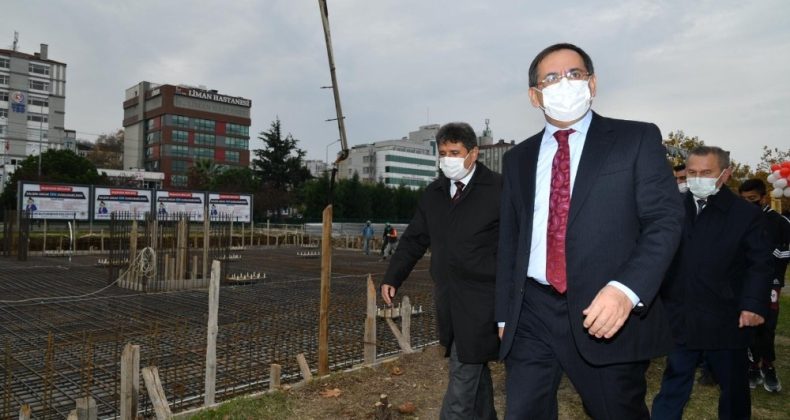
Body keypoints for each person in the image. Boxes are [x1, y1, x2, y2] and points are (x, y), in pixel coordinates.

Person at [496, 43, 684, 419]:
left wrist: (626, 289)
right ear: (535, 96)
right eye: (551, 77)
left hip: (604, 311)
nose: (564, 83)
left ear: (592, 84)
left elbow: (665, 221)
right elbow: (510, 239)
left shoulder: (636, 139)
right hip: (531, 311)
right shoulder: (517, 159)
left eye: (575, 74)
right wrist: (504, 315)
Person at [382, 122, 501, 419]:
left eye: (455, 152)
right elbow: (414, 240)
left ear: (473, 153)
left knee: (462, 379)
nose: (448, 159)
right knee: (473, 367)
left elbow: (518, 243)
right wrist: (392, 277)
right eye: (443, 152)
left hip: (484, 300)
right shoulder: (434, 193)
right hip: (449, 298)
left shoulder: (499, 189)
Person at [652, 146, 772, 419]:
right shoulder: (672, 209)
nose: (697, 178)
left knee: (733, 390)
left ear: (725, 174)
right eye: (692, 172)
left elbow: (760, 264)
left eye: (706, 172)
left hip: (726, 318)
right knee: (673, 385)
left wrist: (753, 304)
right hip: (680, 315)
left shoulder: (746, 214)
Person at [739, 178, 790, 392]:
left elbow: (785, 252)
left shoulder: (779, 222)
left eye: (752, 199)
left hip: (771, 283)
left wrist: (766, 267)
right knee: (747, 324)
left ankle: (768, 366)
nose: (748, 203)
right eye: (743, 200)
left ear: (764, 197)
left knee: (767, 326)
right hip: (743, 281)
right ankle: (752, 365)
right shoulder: (739, 219)